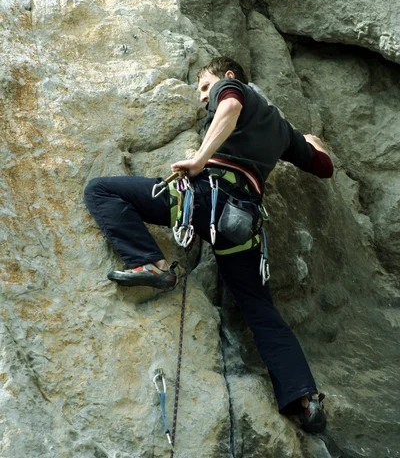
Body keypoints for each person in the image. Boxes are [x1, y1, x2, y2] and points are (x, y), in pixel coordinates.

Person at [84, 57, 333, 434]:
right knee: (261, 312)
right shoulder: (282, 130)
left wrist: (200, 158)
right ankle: (306, 399)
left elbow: (230, 106)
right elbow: (323, 166)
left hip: (205, 199)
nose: (204, 98)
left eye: (204, 88)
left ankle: (149, 263)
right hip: (242, 227)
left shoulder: (233, 91)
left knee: (100, 190)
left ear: (227, 77)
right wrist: (313, 142)